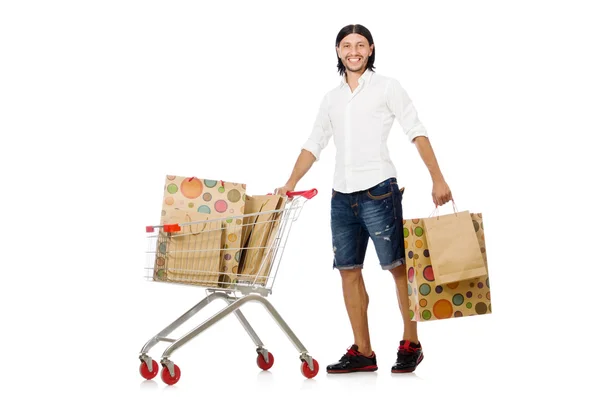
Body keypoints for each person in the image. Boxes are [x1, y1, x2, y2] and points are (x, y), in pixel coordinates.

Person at [275, 24, 452, 374]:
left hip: (379, 191)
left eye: (360, 45)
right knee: (348, 272)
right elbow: (314, 143)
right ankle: (364, 351)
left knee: (398, 270)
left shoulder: (388, 87)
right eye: (346, 45)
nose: (353, 50)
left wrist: (438, 178)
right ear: (338, 51)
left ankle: (410, 343)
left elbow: (416, 130)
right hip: (342, 196)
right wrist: (290, 181)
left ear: (370, 49)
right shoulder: (331, 98)